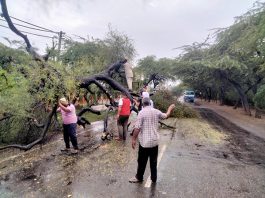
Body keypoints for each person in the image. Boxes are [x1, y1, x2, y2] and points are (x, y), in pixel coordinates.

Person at [129, 97, 175, 183]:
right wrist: (170, 108)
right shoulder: (156, 111)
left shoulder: (141, 113)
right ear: (150, 103)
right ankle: (154, 178)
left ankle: (139, 177)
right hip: (154, 142)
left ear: (143, 104)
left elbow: (137, 128)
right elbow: (166, 116)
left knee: (142, 161)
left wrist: (133, 139)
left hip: (145, 143)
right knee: (153, 162)